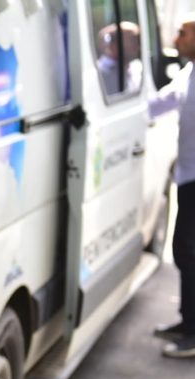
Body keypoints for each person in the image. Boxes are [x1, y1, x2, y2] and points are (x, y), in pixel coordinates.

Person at [150, 14, 195, 358]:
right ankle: (187, 320)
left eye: (183, 33)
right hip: (188, 176)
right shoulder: (188, 72)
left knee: (190, 252)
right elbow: (159, 104)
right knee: (182, 251)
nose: (176, 39)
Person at [96, 21, 143, 95]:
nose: (138, 46)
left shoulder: (137, 67)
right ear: (114, 44)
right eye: (133, 40)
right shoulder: (98, 74)